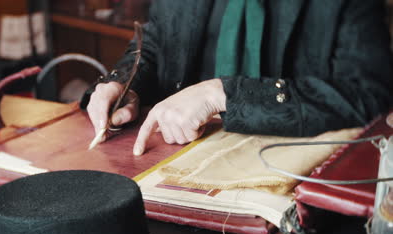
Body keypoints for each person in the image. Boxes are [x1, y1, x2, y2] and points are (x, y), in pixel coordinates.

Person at [86, 0, 393, 156]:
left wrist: (222, 94)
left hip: (284, 162)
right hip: (174, 153)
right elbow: (155, 43)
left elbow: (367, 93)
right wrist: (124, 83)